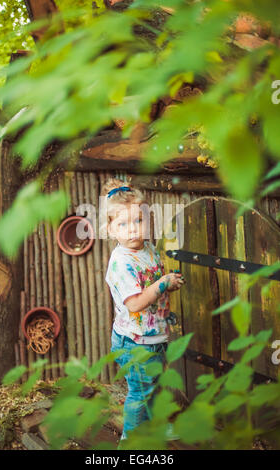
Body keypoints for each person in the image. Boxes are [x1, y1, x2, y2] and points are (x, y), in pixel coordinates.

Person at [101, 178, 184, 442]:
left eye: (139, 221)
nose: (133, 230)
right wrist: (162, 285)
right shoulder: (120, 263)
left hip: (154, 336)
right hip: (134, 342)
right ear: (110, 229)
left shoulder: (147, 249)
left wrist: (166, 285)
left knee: (156, 386)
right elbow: (135, 303)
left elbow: (151, 283)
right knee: (140, 393)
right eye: (123, 224)